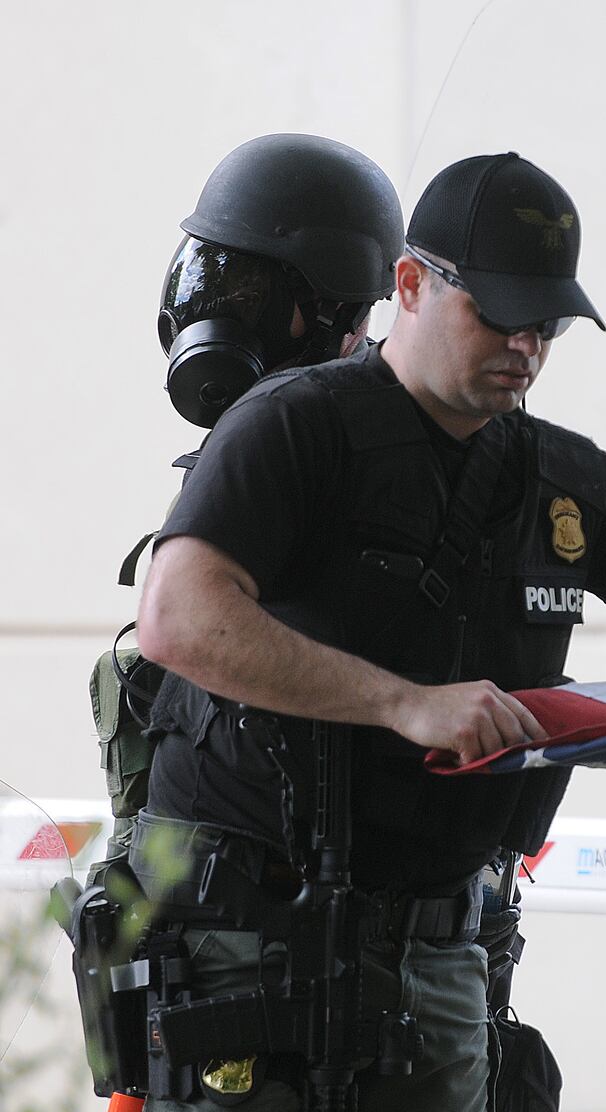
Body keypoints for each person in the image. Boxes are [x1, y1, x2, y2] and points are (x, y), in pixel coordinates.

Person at [129, 150, 606, 1112]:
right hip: (254, 954)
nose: (524, 348)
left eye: (545, 325)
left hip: (441, 966)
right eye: (499, 315)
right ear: (408, 285)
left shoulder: (568, 482)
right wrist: (403, 701)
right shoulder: (295, 426)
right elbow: (178, 616)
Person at [93, 133, 406, 864]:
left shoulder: (372, 462)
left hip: (299, 929)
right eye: (207, 279)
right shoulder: (257, 457)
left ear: (332, 311)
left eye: (244, 292)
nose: (209, 312)